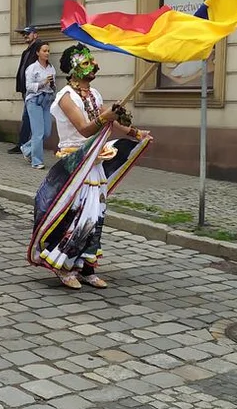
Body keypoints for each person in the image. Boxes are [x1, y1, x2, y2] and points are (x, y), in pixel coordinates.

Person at [28, 45, 151, 289]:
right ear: (73, 68)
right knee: (75, 213)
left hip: (95, 161)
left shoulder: (93, 93)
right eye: (86, 62)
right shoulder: (65, 97)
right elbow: (85, 128)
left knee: (95, 214)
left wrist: (136, 132)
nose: (93, 65)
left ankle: (86, 267)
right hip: (75, 162)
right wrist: (108, 116)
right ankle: (64, 266)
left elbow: (109, 121)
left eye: (92, 61)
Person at [21, 41, 56, 170]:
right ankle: (36, 161)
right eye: (44, 51)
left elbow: (53, 86)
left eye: (48, 51)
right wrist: (43, 82)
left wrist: (52, 85)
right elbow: (28, 87)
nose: (47, 53)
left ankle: (27, 149)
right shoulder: (32, 68)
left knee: (46, 132)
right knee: (38, 133)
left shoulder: (51, 68)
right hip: (34, 101)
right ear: (37, 53)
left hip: (46, 100)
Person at [9, 25, 41, 155]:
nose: (25, 36)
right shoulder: (27, 51)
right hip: (26, 89)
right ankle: (25, 144)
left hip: (33, 90)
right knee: (28, 117)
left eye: (28, 33)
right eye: (24, 34)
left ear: (35, 35)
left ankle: (25, 145)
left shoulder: (38, 49)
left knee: (29, 117)